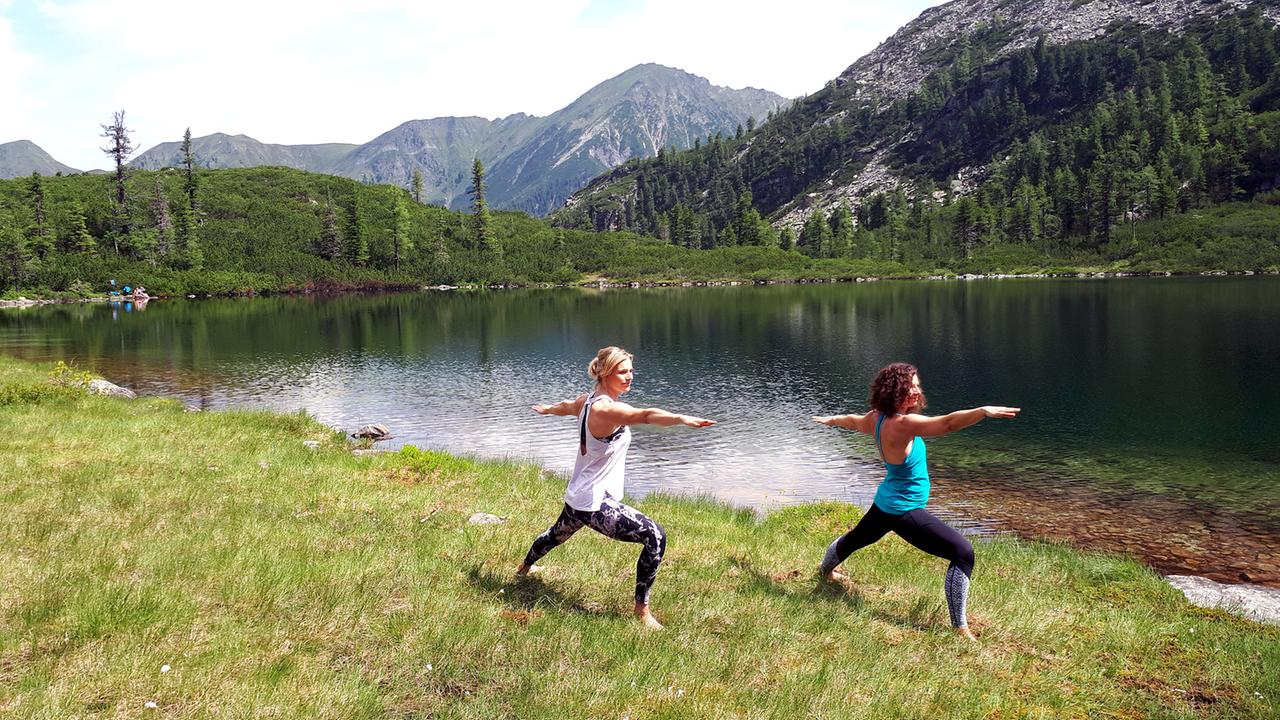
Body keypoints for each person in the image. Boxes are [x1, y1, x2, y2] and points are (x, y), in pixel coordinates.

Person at [812, 362, 1019, 641]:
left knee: (857, 538)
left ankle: (825, 571)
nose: (917, 390)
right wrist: (982, 412)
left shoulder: (877, 418)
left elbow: (853, 420)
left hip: (886, 500)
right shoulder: (904, 424)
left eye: (918, 384)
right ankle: (960, 627)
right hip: (903, 510)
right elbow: (947, 423)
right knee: (963, 552)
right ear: (896, 390)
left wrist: (833, 419)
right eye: (911, 385)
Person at [518, 346, 716, 630]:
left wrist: (547, 409)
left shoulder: (586, 402)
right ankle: (642, 611)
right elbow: (645, 415)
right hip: (594, 502)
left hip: (579, 495)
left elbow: (565, 407)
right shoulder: (607, 409)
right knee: (655, 536)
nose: (630, 377)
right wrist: (680, 419)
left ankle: (524, 569)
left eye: (631, 371)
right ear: (605, 373)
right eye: (623, 372)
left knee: (555, 535)